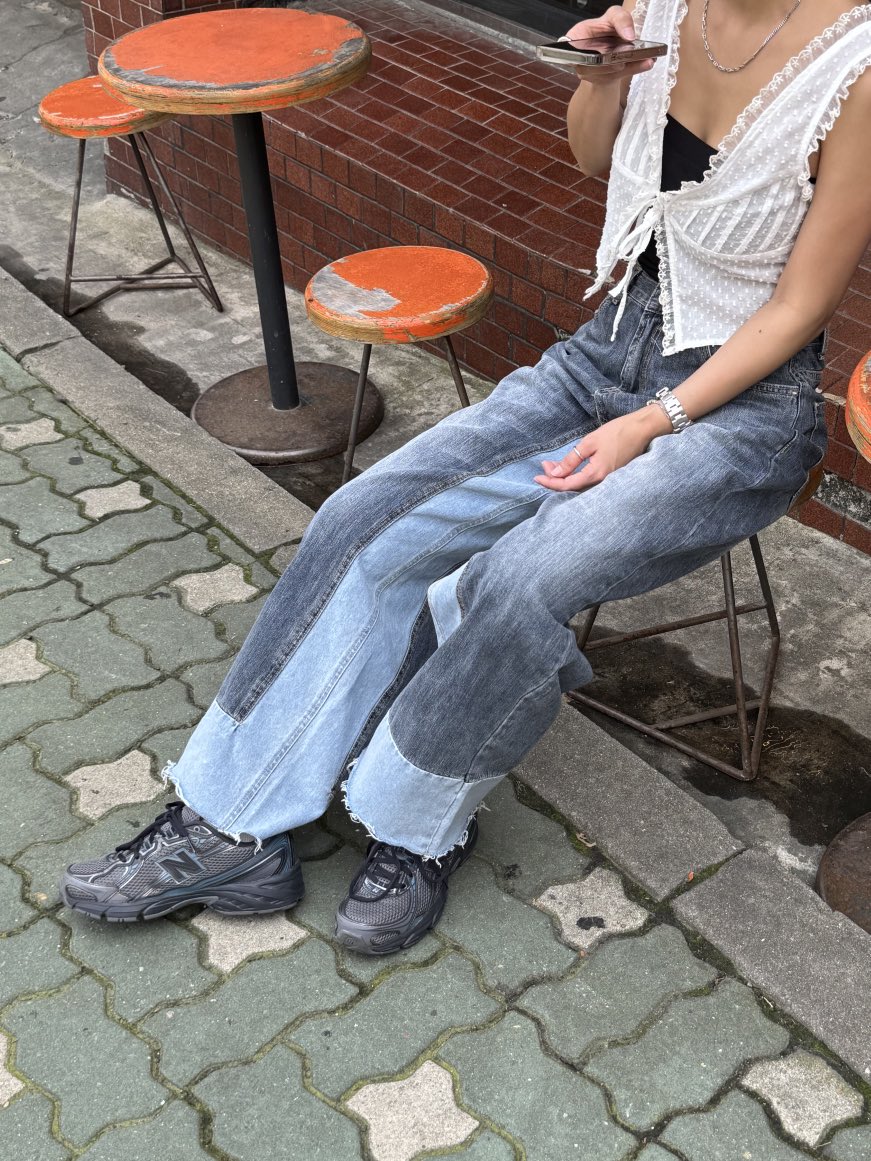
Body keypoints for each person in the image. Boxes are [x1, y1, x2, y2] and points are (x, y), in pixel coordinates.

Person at [62, 0, 871, 954]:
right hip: (603, 354)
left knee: (517, 579)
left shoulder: (852, 69)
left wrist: (650, 424)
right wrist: (601, 79)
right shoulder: (666, 8)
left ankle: (416, 824)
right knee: (364, 517)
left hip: (739, 409)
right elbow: (594, 160)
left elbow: (798, 307)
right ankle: (227, 823)